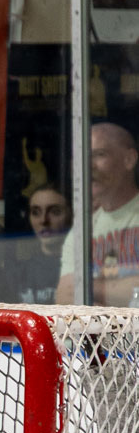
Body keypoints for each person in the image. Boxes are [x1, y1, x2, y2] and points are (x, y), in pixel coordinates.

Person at [56, 123, 139, 305]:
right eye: (83, 157)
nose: (89, 166)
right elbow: (65, 297)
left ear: (129, 160)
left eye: (99, 155)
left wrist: (90, 288)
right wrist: (124, 288)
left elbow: (76, 290)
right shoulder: (83, 229)